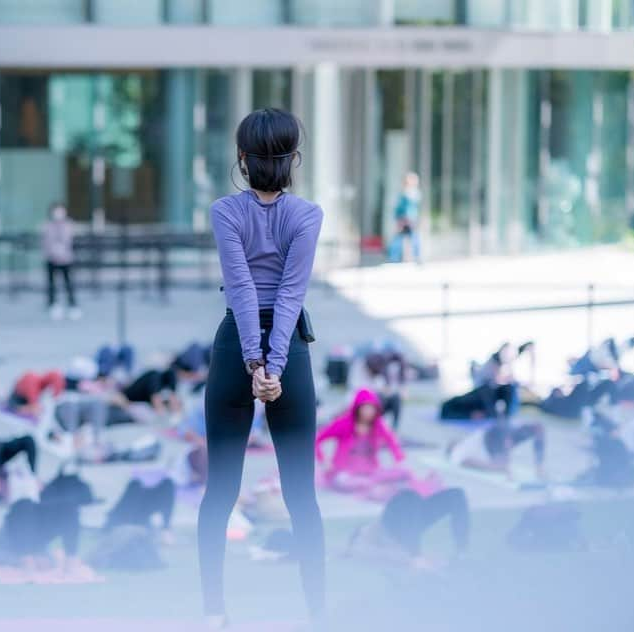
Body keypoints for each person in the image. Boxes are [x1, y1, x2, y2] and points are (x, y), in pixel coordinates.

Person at [198, 108, 325, 629]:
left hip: (236, 351)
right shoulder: (308, 214)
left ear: (242, 160)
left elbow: (243, 290)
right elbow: (290, 294)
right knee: (301, 495)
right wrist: (273, 366)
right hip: (287, 353)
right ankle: (318, 615)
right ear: (293, 159)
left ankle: (213, 614)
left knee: (220, 491)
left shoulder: (225, 211)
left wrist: (252, 361)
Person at [315, 389, 434, 501]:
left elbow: (391, 441)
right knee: (348, 482)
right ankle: (375, 489)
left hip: (370, 471)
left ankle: (416, 487)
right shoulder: (343, 424)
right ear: (357, 408)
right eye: (365, 408)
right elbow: (317, 439)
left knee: (405, 472)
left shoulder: (377, 424)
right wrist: (323, 460)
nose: (369, 412)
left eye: (372, 408)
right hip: (344, 472)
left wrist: (399, 459)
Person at [346, 488, 469, 569]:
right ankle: (460, 554)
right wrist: (417, 557)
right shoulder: (366, 546)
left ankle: (461, 553)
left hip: (399, 522)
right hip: (398, 526)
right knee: (409, 497)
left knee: (456, 495)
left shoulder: (369, 535)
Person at [448, 419, 546, 480]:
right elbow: (474, 463)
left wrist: (502, 466)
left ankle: (539, 467)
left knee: (537, 428)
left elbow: (484, 465)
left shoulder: (462, 448)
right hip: (491, 440)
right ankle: (539, 467)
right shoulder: (457, 455)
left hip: (493, 437)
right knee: (537, 428)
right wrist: (502, 467)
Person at [42, 202, 79, 321]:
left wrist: (62, 251)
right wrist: (53, 252)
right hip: (51, 259)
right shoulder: (47, 226)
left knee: (69, 283)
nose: (58, 214)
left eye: (60, 211)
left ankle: (72, 305)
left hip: (66, 259)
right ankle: (53, 304)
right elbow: (46, 243)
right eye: (56, 211)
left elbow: (69, 241)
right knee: (52, 283)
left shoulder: (69, 225)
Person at [388, 172, 422, 263]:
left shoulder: (411, 194)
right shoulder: (406, 194)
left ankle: (415, 256)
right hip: (406, 219)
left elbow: (411, 209)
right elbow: (400, 208)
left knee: (411, 237)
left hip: (410, 219)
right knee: (400, 238)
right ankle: (394, 258)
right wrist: (400, 219)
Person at [440, 383, 515, 421]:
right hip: (448, 408)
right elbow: (492, 414)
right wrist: (469, 415)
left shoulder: (489, 391)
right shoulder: (487, 393)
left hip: (452, 407)